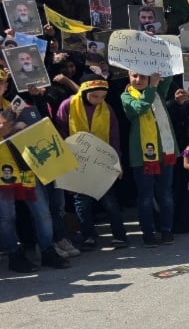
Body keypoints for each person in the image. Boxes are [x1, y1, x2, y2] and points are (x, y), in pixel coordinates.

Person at [53, 75, 128, 249]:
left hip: (101, 162)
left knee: (109, 200)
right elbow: (60, 130)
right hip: (77, 162)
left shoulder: (107, 109)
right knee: (82, 202)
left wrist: (117, 161)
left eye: (102, 97)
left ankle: (120, 235)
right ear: (85, 92)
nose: (98, 100)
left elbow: (114, 137)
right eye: (95, 96)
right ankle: (89, 236)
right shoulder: (68, 105)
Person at [0, 108, 71, 272]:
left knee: (42, 213)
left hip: (26, 167)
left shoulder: (15, 106)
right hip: (3, 170)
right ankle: (14, 255)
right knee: (6, 217)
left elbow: (40, 127)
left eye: (2, 82)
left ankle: (47, 251)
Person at [123, 70, 177, 246]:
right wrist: (152, 85)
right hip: (142, 155)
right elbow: (141, 107)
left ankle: (167, 229)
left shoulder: (158, 92)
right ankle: (148, 232)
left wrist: (158, 68)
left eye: (143, 76)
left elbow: (168, 76)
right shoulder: (126, 96)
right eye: (134, 76)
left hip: (165, 151)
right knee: (145, 196)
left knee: (165, 194)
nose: (138, 80)